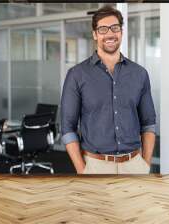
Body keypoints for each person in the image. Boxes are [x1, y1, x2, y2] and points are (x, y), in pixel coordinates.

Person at [60, 5, 156, 174]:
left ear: (121, 32)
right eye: (103, 29)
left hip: (134, 166)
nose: (110, 34)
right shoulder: (77, 75)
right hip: (95, 167)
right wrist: (83, 171)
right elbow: (68, 128)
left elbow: (148, 124)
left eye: (115, 28)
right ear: (95, 34)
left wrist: (145, 165)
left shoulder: (140, 74)